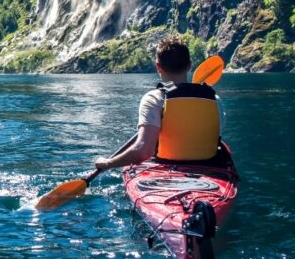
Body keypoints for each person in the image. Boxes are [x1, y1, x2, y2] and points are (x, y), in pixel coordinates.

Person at [94, 36, 224, 172]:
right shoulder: (214, 100)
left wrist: (108, 163)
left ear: (158, 67)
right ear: (189, 65)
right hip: (210, 168)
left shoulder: (154, 99)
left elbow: (144, 152)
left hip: (166, 167)